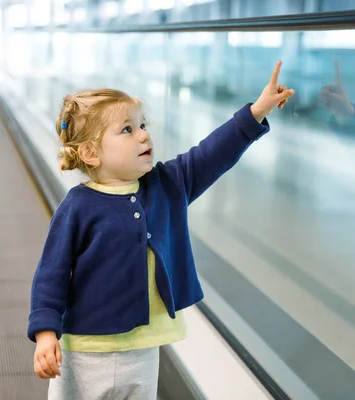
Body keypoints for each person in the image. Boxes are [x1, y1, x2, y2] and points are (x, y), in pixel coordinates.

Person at [27, 61, 295, 399]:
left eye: (142, 125)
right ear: (91, 153)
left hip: (143, 348)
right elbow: (50, 275)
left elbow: (211, 155)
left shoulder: (167, 185)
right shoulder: (78, 207)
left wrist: (257, 111)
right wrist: (45, 333)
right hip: (84, 352)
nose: (143, 134)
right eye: (127, 130)